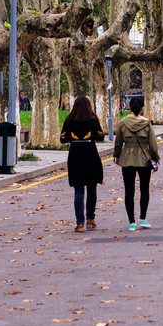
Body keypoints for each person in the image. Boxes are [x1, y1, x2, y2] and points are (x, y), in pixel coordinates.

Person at [114, 95, 160, 231]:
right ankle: (143, 219)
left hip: (127, 158)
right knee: (144, 189)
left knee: (129, 191)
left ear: (129, 107)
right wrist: (156, 159)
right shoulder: (147, 123)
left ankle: (131, 222)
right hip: (144, 159)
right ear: (142, 108)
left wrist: (117, 156)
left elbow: (118, 143)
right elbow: (152, 144)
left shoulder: (123, 122)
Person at [61, 95, 104, 230]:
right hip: (91, 154)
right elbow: (101, 136)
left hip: (75, 156)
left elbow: (63, 138)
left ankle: (79, 222)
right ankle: (90, 219)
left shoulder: (69, 120)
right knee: (92, 188)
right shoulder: (93, 119)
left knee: (78, 190)